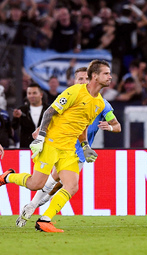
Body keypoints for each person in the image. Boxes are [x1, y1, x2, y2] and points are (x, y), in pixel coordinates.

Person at [0, 59, 111, 233]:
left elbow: (82, 127)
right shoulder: (75, 91)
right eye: (106, 73)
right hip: (51, 143)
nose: (110, 77)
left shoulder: (99, 103)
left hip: (68, 149)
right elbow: (50, 111)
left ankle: (45, 220)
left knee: (72, 186)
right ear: (95, 76)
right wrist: (42, 136)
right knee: (35, 184)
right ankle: (7, 177)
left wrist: (85, 145)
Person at [12, 83, 49, 148]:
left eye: (34, 93)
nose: (31, 96)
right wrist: (15, 118)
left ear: (41, 95)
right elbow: (14, 127)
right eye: (29, 93)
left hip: (45, 147)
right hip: (26, 148)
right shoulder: (22, 110)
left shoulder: (49, 110)